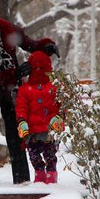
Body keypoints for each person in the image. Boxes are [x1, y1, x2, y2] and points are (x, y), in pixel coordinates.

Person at [0, 11, 59, 185]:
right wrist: (15, 74)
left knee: (17, 128)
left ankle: (21, 178)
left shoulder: (5, 28)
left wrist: (46, 46)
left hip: (12, 87)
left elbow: (29, 43)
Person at [15, 51, 64, 184]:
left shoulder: (55, 87)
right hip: (33, 131)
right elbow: (21, 107)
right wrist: (21, 120)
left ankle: (51, 174)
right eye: (36, 69)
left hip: (50, 130)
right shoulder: (25, 89)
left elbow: (63, 105)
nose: (39, 72)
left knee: (50, 155)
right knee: (35, 156)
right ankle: (40, 174)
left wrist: (60, 117)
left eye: (42, 69)